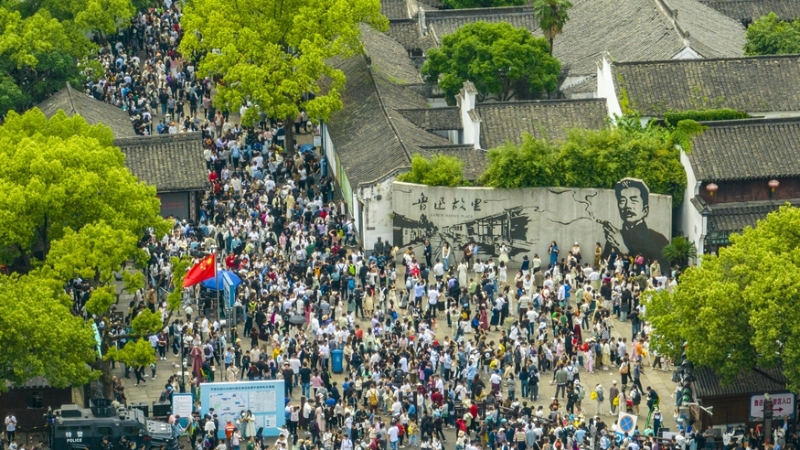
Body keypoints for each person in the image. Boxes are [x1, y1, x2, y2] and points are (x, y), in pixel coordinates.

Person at [600, 178, 669, 269]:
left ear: (645, 210)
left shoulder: (658, 239)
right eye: (622, 201)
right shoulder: (613, 238)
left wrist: (623, 247)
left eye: (633, 200)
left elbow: (662, 267)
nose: (627, 206)